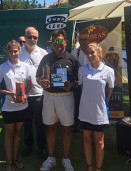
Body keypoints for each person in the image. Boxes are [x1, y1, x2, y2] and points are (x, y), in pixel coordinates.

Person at [36, 30, 80, 171]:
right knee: (51, 128)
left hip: (65, 98)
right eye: (54, 41)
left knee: (67, 129)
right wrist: (41, 82)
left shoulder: (72, 59)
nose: (58, 44)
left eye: (60, 41)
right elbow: (38, 77)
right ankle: (51, 158)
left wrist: (72, 86)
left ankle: (66, 159)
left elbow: (79, 81)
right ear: (51, 43)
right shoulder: (46, 58)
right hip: (49, 97)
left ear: (66, 42)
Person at [0, 40, 32, 171]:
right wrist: (10, 93)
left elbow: (30, 85)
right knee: (9, 133)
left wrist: (24, 94)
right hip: (8, 107)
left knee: (18, 133)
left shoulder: (25, 66)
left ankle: (15, 159)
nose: (13, 53)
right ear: (7, 52)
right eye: (11, 51)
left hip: (22, 106)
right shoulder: (2, 67)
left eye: (16, 51)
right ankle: (8, 162)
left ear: (19, 52)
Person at [78, 43, 114, 171]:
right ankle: (90, 167)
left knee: (99, 142)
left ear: (99, 53)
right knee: (87, 139)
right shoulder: (82, 70)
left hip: (99, 112)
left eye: (92, 52)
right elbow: (83, 88)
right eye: (87, 53)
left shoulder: (109, 71)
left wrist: (102, 103)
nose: (89, 55)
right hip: (85, 111)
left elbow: (109, 90)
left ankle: (98, 168)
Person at [19, 27, 48, 160]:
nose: (32, 39)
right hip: (23, 94)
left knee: (40, 123)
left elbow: (48, 72)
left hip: (39, 94)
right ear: (25, 37)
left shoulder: (43, 53)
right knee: (26, 123)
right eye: (30, 37)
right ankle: (28, 145)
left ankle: (42, 147)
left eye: (35, 37)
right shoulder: (19, 53)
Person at [71, 31, 91, 132]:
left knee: (89, 104)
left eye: (85, 39)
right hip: (79, 84)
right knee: (77, 103)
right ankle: (76, 123)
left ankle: (87, 124)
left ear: (89, 40)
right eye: (81, 39)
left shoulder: (93, 51)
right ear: (78, 40)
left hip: (90, 84)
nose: (83, 41)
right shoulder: (75, 52)